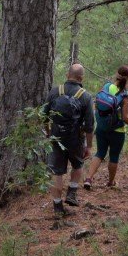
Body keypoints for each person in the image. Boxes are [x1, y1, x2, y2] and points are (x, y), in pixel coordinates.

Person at [42, 64, 95, 218]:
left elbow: (43, 116)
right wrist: (89, 146)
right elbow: (89, 125)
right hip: (75, 139)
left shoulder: (54, 91)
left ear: (67, 75)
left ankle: (57, 206)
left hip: (56, 137)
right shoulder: (85, 96)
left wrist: (48, 132)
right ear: (81, 78)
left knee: (57, 172)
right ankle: (72, 192)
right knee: (78, 164)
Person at [84, 65, 128, 190]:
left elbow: (97, 106)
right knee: (114, 156)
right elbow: (125, 118)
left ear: (117, 74)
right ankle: (110, 182)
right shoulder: (125, 96)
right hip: (117, 131)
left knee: (99, 153)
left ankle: (88, 178)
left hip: (102, 128)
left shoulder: (106, 87)